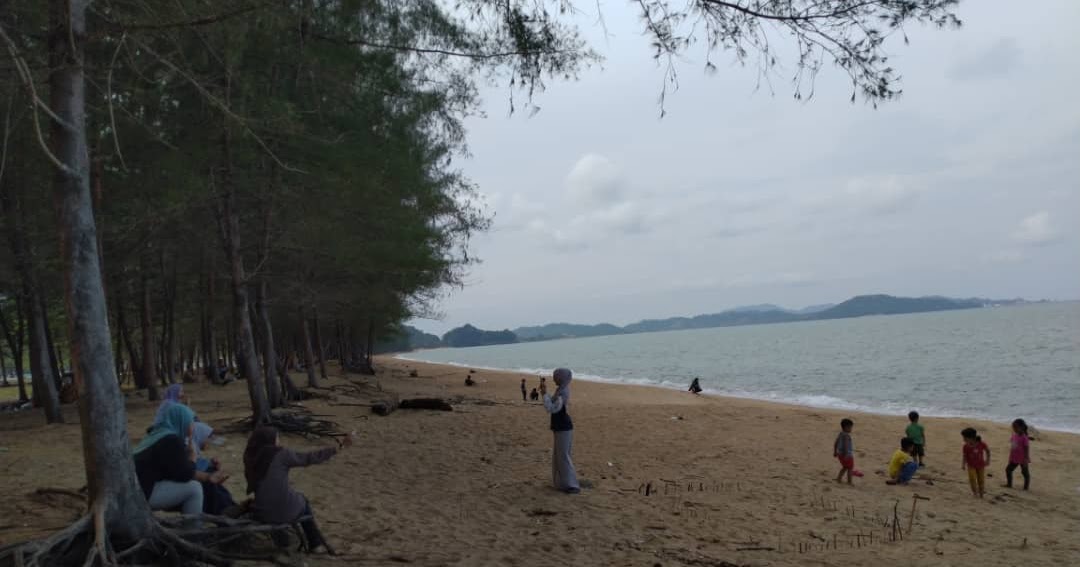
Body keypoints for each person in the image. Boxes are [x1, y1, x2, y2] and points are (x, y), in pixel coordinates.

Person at [244, 426, 350, 553]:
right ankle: (315, 544)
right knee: (302, 501)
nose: (279, 441)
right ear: (270, 440)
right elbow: (308, 458)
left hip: (261, 512)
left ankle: (282, 540)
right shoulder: (281, 454)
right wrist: (338, 447)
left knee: (274, 499)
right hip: (282, 510)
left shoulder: (250, 457)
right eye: (277, 438)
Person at [134, 404, 227, 524]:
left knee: (202, 484)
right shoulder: (171, 440)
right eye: (191, 422)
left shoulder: (157, 435)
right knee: (194, 488)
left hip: (138, 490)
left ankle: (223, 511)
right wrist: (192, 457)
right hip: (144, 494)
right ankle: (195, 533)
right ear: (181, 420)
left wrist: (207, 475)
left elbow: (176, 470)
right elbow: (185, 474)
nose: (193, 426)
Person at [541, 368, 580, 494]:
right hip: (561, 427)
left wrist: (544, 394)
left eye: (555, 376)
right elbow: (552, 404)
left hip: (564, 427)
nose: (554, 378)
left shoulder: (563, 392)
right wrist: (545, 392)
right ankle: (561, 483)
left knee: (563, 456)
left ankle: (572, 485)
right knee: (558, 455)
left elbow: (552, 408)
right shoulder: (560, 390)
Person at [192, 422, 239, 515]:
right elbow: (192, 466)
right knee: (211, 485)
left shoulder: (193, 449)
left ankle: (230, 507)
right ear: (199, 435)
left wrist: (211, 463)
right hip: (194, 483)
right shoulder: (188, 449)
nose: (209, 441)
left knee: (217, 487)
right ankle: (227, 510)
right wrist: (210, 466)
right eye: (207, 437)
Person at [961, 427, 991, 498]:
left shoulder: (981, 444)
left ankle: (981, 493)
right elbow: (964, 456)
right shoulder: (965, 446)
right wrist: (963, 464)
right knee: (972, 479)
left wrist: (987, 460)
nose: (963, 440)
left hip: (981, 465)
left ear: (971, 438)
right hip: (971, 466)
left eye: (965, 438)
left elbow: (987, 451)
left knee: (981, 480)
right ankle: (975, 493)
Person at [1004, 419, 1031, 490]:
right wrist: (1010, 457)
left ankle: (1026, 487)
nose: (1014, 429)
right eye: (1014, 427)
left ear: (1022, 427)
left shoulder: (1024, 438)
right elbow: (1012, 447)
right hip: (1014, 457)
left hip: (1022, 458)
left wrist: (1026, 458)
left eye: (1016, 427)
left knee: (1025, 473)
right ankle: (1009, 484)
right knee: (1008, 470)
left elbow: (1026, 448)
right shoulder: (1014, 436)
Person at [834, 418, 855, 484]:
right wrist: (846, 454)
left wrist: (835, 451)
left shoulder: (840, 434)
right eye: (850, 427)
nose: (851, 429)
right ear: (846, 427)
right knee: (850, 468)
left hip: (840, 454)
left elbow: (836, 442)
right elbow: (845, 445)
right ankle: (849, 482)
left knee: (845, 467)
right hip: (847, 455)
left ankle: (838, 479)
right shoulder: (846, 435)